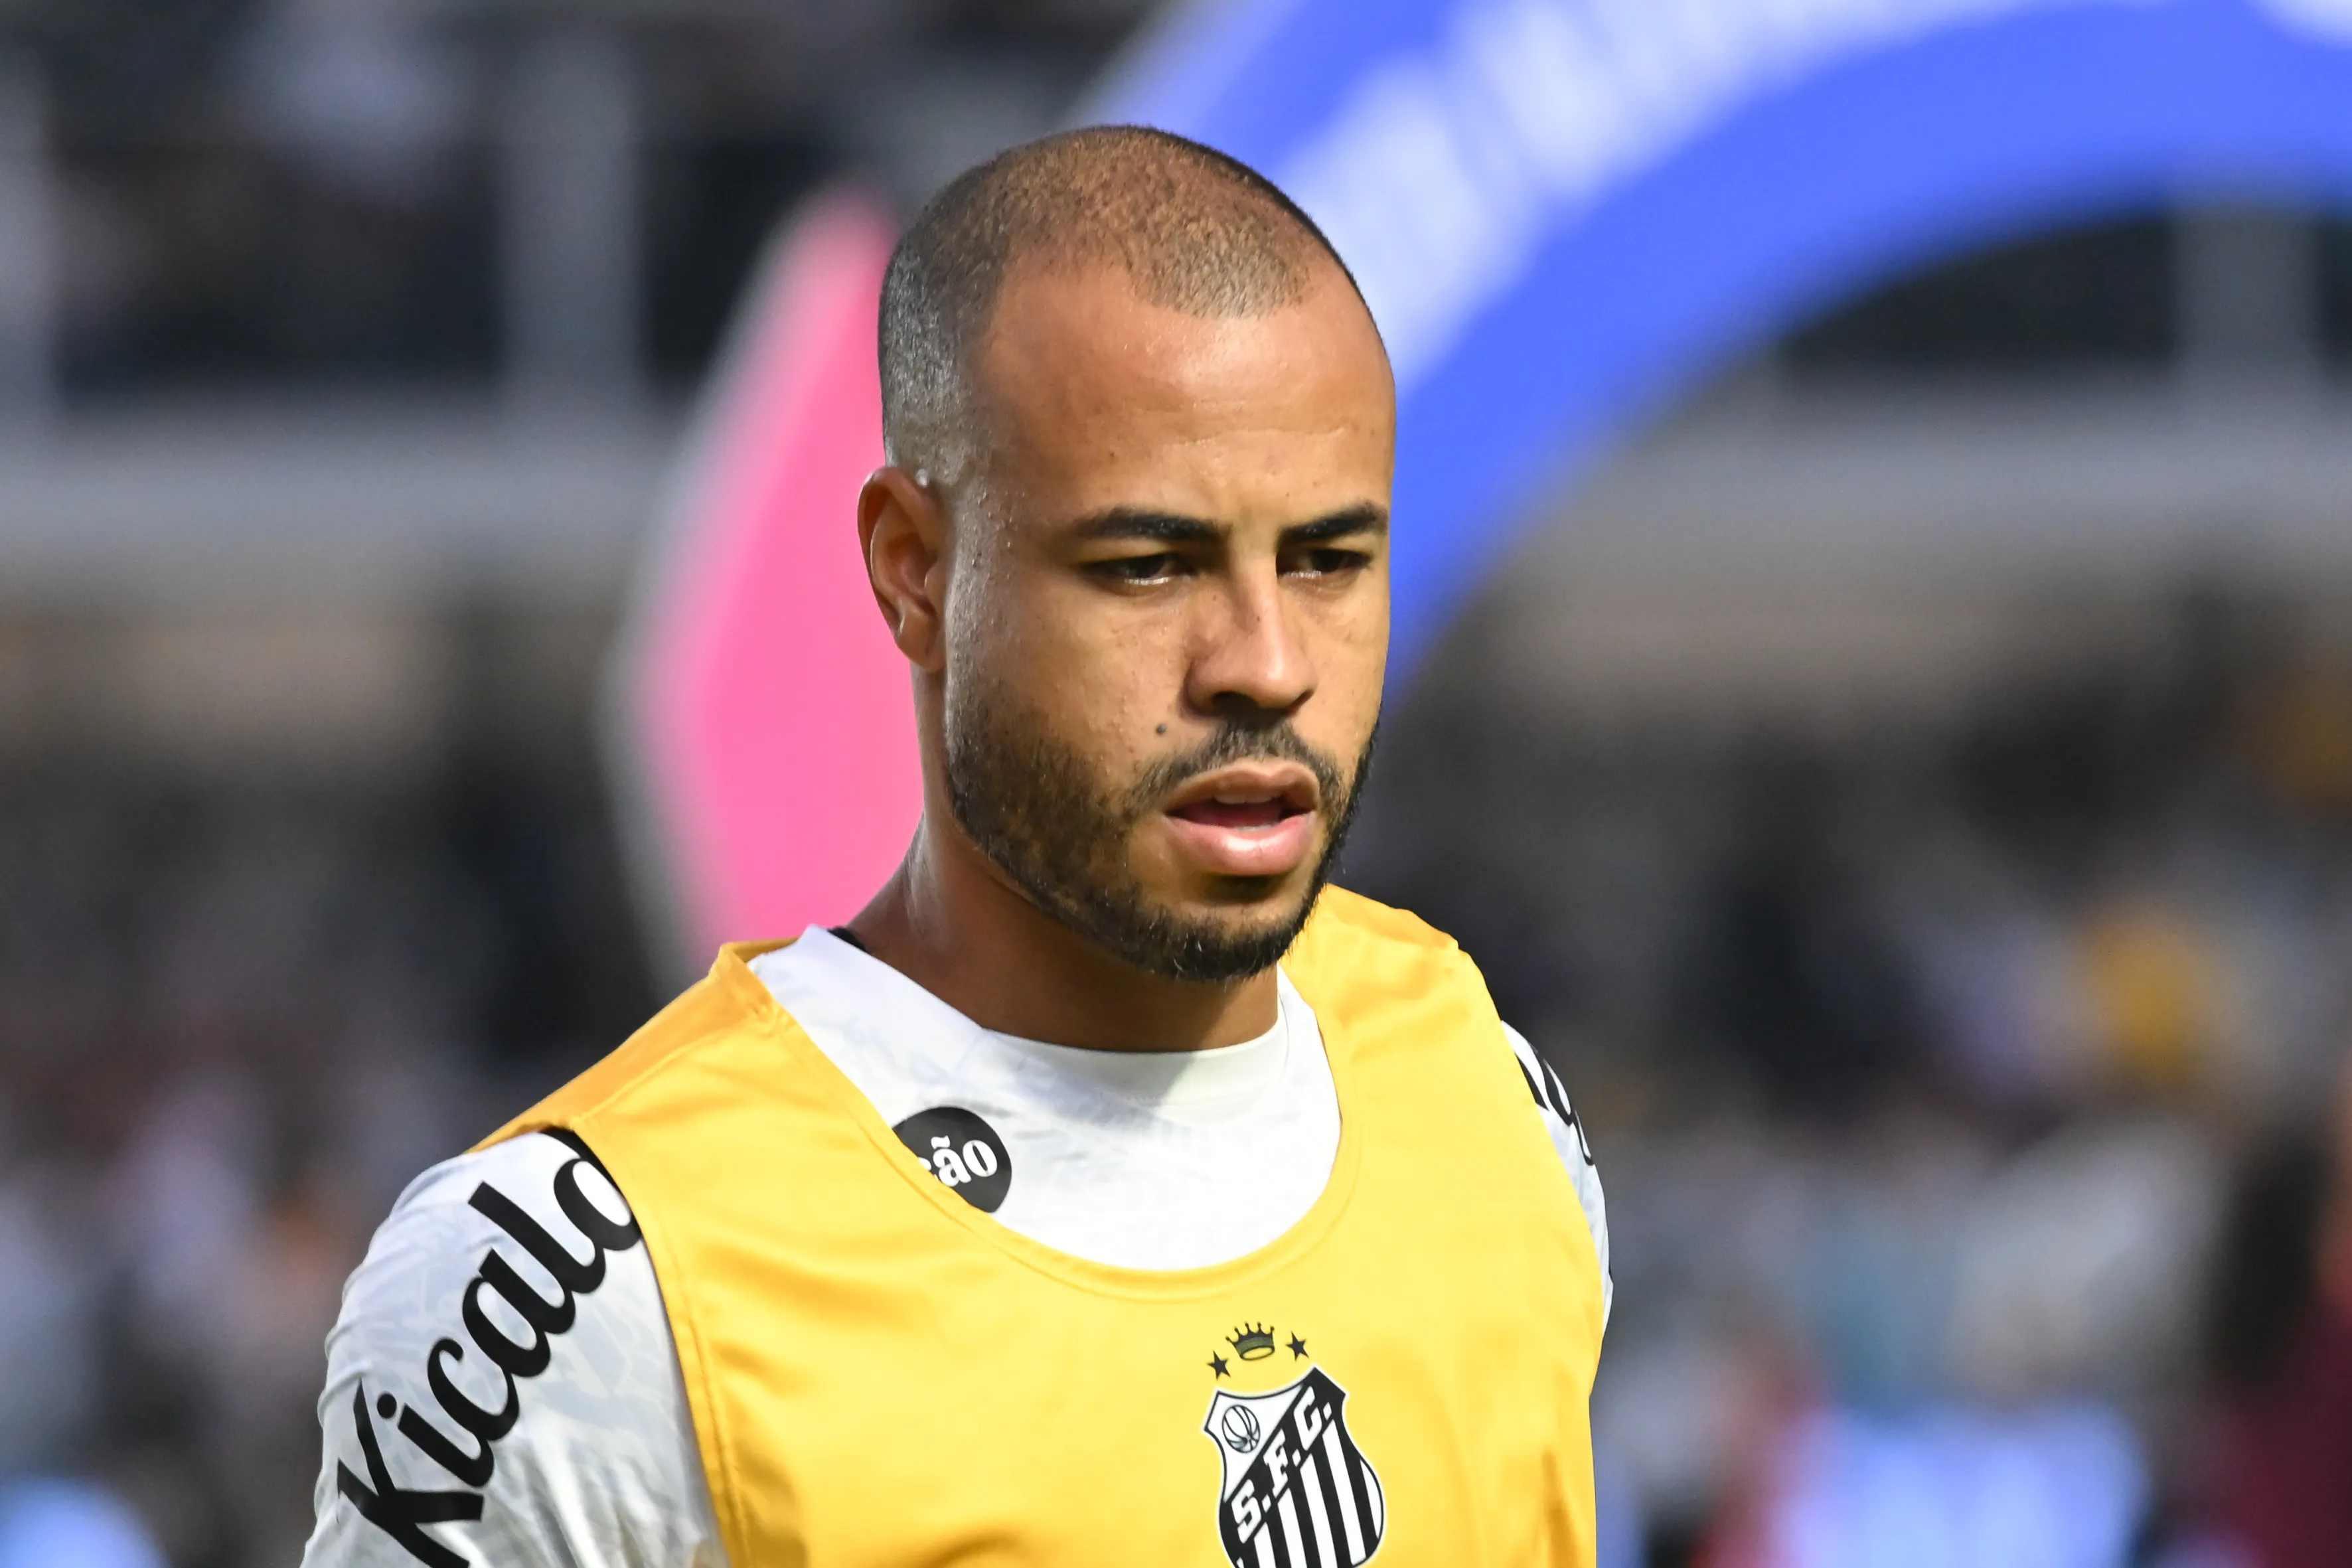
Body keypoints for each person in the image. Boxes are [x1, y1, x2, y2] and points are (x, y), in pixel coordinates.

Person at [300, 125, 1610, 1568]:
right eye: (1147, 566)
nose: (1264, 662)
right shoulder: (579, 1287)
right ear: (912, 567)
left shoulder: (1486, 1095)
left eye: (1327, 560)